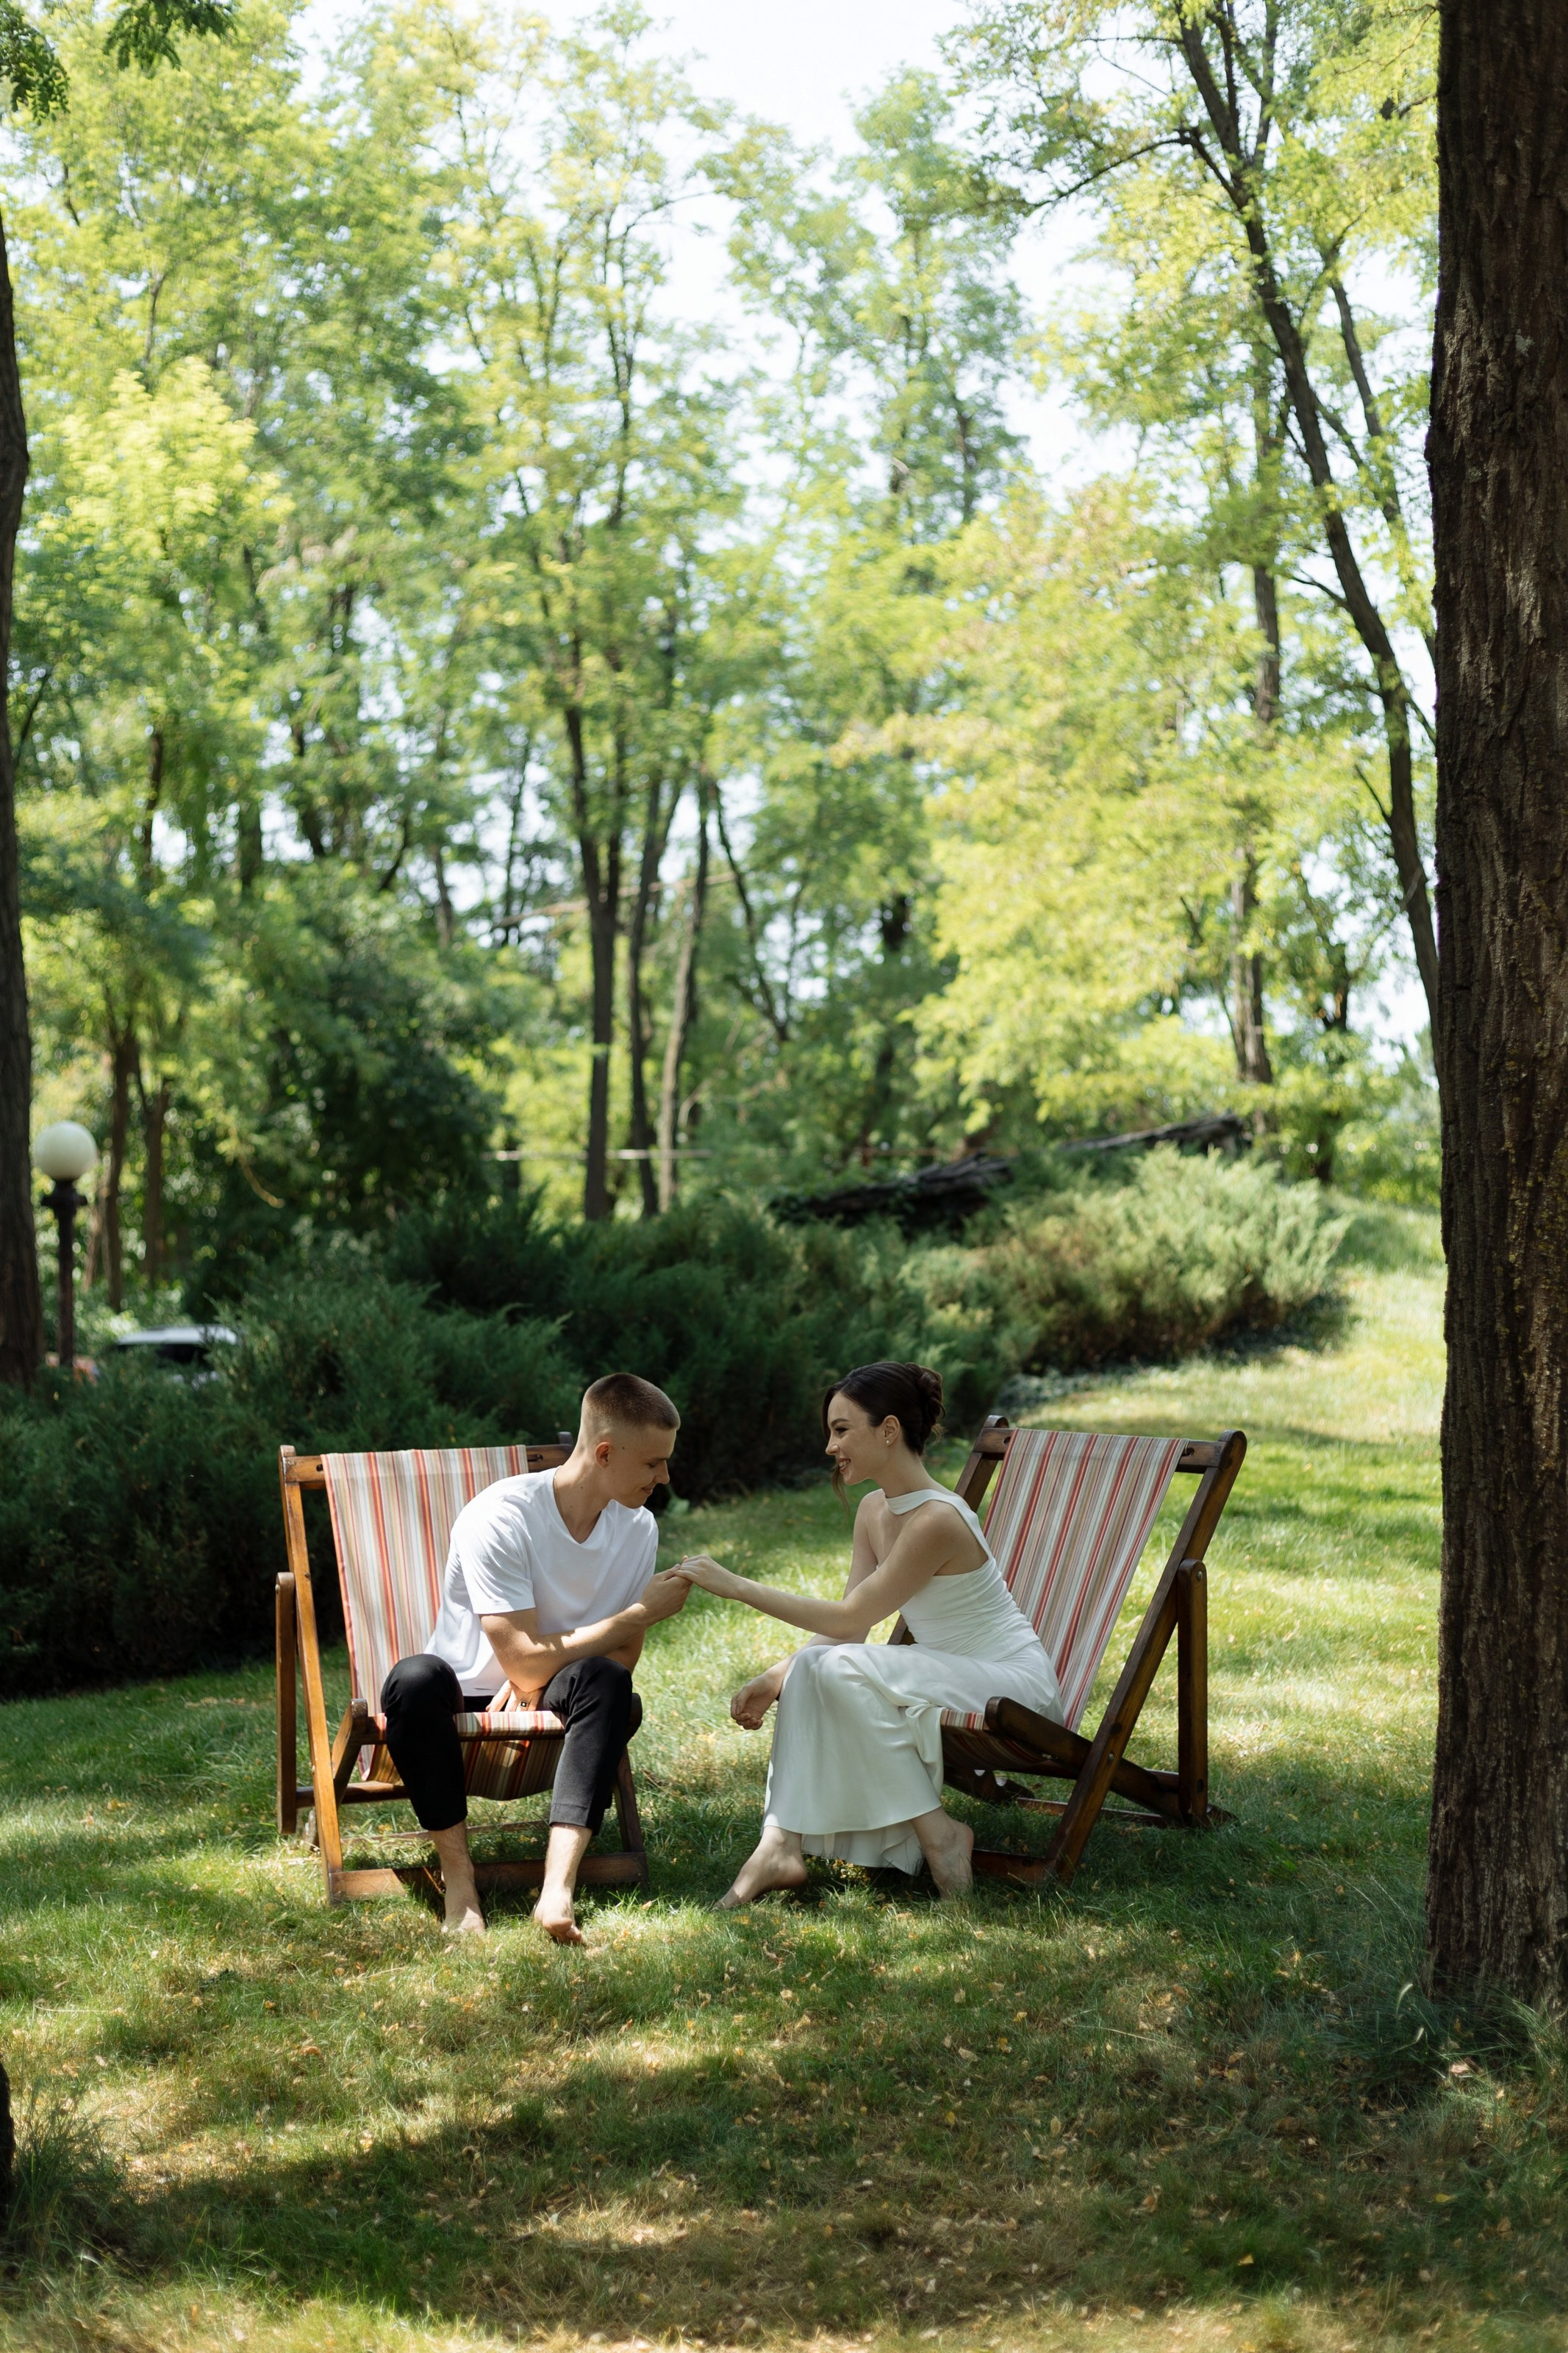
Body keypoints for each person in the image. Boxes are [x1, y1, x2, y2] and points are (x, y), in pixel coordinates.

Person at [671, 1360, 1062, 1905]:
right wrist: (775, 1677)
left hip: (1010, 1687)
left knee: (836, 1668)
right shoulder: (874, 1510)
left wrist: (737, 1585)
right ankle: (779, 1845)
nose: (830, 1447)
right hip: (944, 1673)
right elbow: (849, 1629)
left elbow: (848, 1619)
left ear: (889, 1430)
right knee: (820, 1665)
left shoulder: (936, 1520)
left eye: (840, 1430)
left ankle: (939, 1835)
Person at [379, 1372, 692, 1943]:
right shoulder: (501, 1516)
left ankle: (557, 1891)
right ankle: (461, 1884)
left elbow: (621, 1658)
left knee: (605, 1680)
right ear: (603, 1453)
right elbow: (524, 1662)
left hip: (555, 1698)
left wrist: (537, 1672)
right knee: (413, 1680)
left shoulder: (637, 1527)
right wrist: (636, 1614)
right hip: (465, 1700)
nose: (664, 1477)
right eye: (652, 1463)